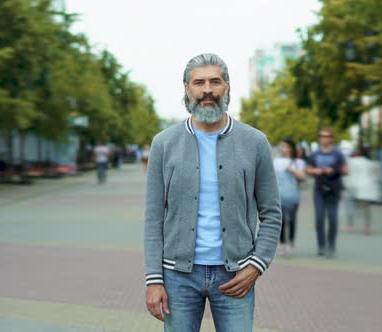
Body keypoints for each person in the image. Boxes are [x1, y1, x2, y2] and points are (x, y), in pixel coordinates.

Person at [144, 53, 281, 331]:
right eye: (199, 82)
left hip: (236, 276)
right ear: (186, 88)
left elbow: (272, 213)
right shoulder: (163, 143)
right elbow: (153, 218)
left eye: (215, 81)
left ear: (227, 87)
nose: (207, 90)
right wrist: (153, 279)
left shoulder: (255, 142)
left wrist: (256, 265)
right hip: (177, 277)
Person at [306, 128, 348, 258]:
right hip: (319, 189)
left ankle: (331, 246)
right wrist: (316, 171)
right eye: (322, 136)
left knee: (332, 218)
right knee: (319, 218)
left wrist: (333, 170)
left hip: (333, 190)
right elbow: (308, 169)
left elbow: (346, 170)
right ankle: (321, 246)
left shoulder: (338, 154)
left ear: (331, 138)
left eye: (327, 136)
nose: (324, 138)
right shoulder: (314, 154)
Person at [273, 138, 306, 256]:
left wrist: (292, 170)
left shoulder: (298, 162)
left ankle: (290, 242)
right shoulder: (276, 161)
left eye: (285, 146)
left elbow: (302, 178)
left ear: (291, 148)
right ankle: (282, 243)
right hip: (279, 196)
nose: (283, 149)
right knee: (280, 221)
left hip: (293, 196)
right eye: (281, 146)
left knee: (291, 220)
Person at [343, 147, 382, 234]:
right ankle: (367, 227)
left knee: (350, 206)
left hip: (352, 185)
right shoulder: (371, 163)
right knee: (366, 209)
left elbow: (346, 172)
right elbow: (376, 176)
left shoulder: (352, 161)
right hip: (366, 188)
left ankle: (350, 226)